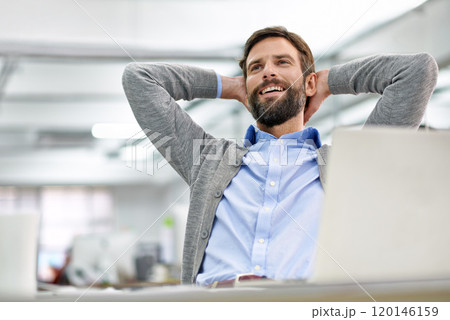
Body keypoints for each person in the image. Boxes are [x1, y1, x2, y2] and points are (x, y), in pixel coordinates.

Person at [122, 26, 438, 287]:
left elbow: (416, 72)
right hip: (214, 306)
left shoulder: (351, 165)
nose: (268, 71)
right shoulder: (209, 160)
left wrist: (327, 82)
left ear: (309, 82)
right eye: (256, 68)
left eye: (282, 63)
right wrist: (231, 86)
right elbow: (140, 79)